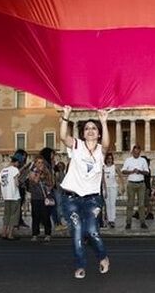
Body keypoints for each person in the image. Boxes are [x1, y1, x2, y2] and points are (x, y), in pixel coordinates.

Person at [59, 106, 110, 279]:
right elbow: (63, 137)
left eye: (94, 128)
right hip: (71, 197)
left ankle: (103, 256)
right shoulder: (76, 145)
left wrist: (103, 120)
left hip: (92, 200)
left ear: (99, 134)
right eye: (87, 128)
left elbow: (108, 144)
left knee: (92, 231)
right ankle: (80, 265)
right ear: (83, 132)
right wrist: (66, 116)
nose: (90, 130)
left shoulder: (101, 151)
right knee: (78, 230)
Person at [0, 150, 27, 240]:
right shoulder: (15, 170)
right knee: (14, 216)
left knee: (6, 215)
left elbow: (2, 182)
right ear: (17, 162)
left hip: (6, 196)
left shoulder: (3, 170)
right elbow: (16, 183)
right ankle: (10, 234)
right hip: (14, 196)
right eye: (19, 163)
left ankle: (4, 233)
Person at [122, 145, 150, 230]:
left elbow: (147, 172)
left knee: (141, 204)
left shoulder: (143, 160)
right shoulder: (128, 160)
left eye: (138, 153)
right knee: (130, 204)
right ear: (132, 152)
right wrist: (131, 171)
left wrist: (140, 171)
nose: (136, 154)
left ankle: (142, 222)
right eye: (135, 152)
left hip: (141, 183)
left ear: (140, 152)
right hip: (131, 183)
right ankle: (128, 222)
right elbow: (123, 171)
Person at [27, 155, 53, 242]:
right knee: (35, 217)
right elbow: (35, 182)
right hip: (35, 197)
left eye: (42, 162)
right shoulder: (32, 172)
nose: (40, 164)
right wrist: (38, 173)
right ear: (35, 163)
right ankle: (35, 234)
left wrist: (47, 178)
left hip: (45, 197)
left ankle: (48, 234)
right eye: (38, 162)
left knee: (46, 216)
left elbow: (51, 183)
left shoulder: (47, 172)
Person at [102, 153, 123, 228]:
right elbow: (103, 179)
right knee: (107, 204)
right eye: (108, 158)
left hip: (113, 187)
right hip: (106, 187)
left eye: (110, 158)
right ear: (106, 159)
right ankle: (108, 219)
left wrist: (121, 185)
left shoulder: (115, 167)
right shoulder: (103, 167)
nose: (109, 160)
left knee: (112, 203)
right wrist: (104, 188)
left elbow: (121, 176)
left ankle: (112, 220)